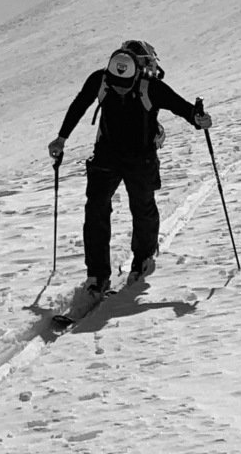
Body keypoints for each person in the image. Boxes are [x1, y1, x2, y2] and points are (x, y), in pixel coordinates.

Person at [47, 39, 211, 296]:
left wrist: (197, 119)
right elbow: (80, 104)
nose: (119, 88)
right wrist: (61, 138)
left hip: (128, 157)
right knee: (109, 209)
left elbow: (181, 107)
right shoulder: (115, 82)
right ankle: (102, 272)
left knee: (125, 208)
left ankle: (135, 261)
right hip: (120, 157)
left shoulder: (130, 84)